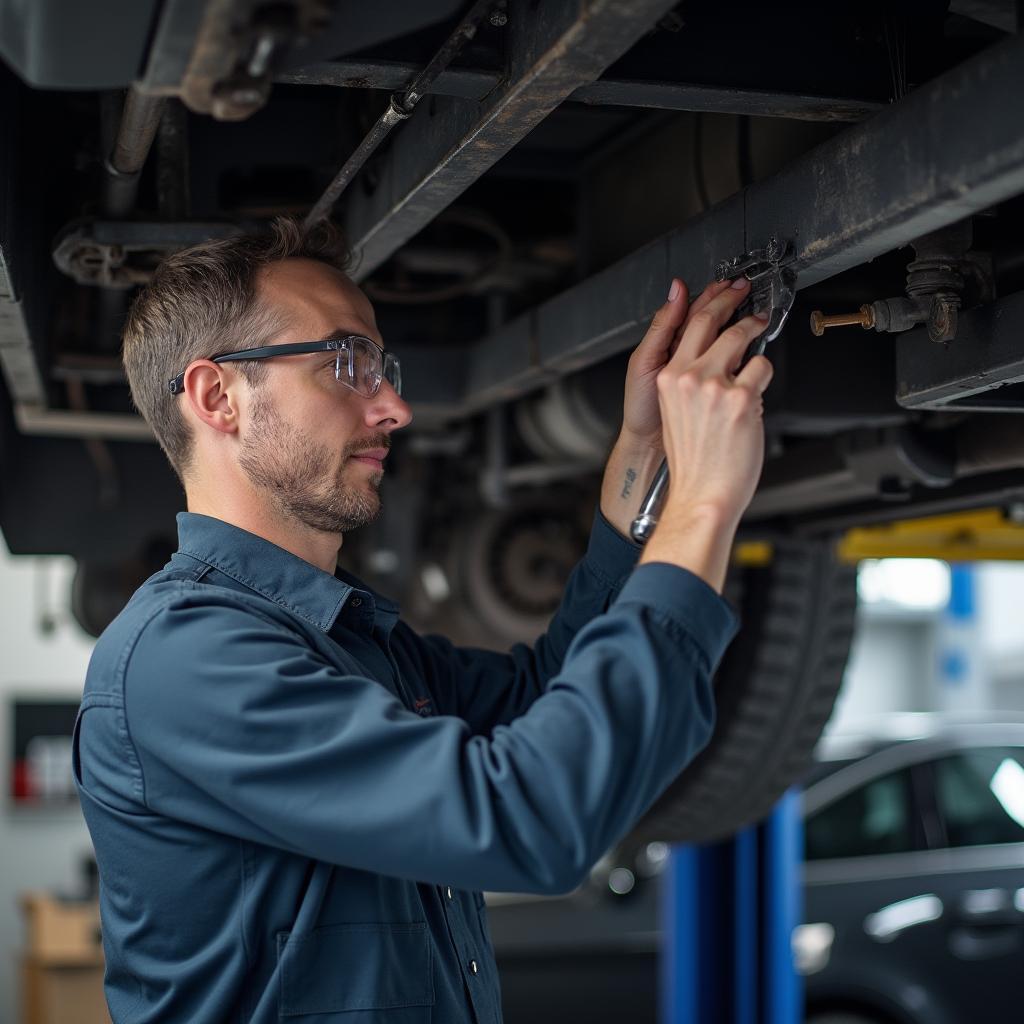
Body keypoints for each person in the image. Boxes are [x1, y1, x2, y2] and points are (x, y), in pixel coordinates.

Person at [74, 218, 773, 1023]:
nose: (396, 407)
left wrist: (642, 461)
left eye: (383, 367)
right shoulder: (182, 660)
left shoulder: (350, 643)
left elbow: (542, 697)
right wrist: (706, 505)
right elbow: (531, 820)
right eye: (346, 364)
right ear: (218, 397)